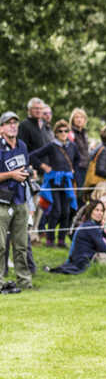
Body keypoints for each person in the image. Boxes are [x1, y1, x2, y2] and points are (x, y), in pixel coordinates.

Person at [30, 119, 80, 248]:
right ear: (56, 133)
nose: (63, 133)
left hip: (67, 182)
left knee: (66, 212)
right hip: (54, 182)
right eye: (60, 131)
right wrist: (43, 166)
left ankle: (61, 240)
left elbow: (77, 160)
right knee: (56, 211)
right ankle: (50, 240)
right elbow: (33, 156)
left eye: (66, 131)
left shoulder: (72, 146)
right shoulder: (51, 146)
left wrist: (73, 169)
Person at [0, 111, 33, 291]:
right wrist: (11, 175)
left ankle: (24, 282)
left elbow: (24, 167)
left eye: (15, 123)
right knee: (0, 245)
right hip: (1, 200)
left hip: (20, 199)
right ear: (1, 128)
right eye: (8, 123)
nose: (13, 125)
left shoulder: (22, 145)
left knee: (21, 245)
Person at [68, 108, 90, 187]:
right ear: (72, 120)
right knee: (78, 193)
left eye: (81, 117)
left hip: (85, 166)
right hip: (76, 168)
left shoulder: (84, 133)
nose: (79, 119)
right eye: (76, 117)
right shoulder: (70, 133)